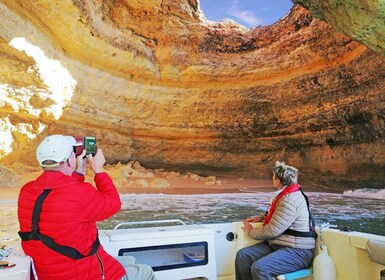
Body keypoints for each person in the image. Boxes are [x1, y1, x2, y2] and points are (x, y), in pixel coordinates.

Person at [17, 134, 156, 280]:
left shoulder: (27, 191)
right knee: (146, 271)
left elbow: (60, 197)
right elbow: (114, 203)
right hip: (83, 274)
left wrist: (79, 173)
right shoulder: (79, 193)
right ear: (69, 160)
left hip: (49, 272)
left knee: (130, 261)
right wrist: (98, 170)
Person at [235, 160, 316, 280]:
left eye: (273, 177)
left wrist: (250, 231)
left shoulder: (290, 200)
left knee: (260, 268)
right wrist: (261, 218)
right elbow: (278, 215)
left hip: (298, 252)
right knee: (243, 256)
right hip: (279, 245)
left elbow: (272, 231)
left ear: (278, 181)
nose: (272, 179)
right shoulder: (285, 195)